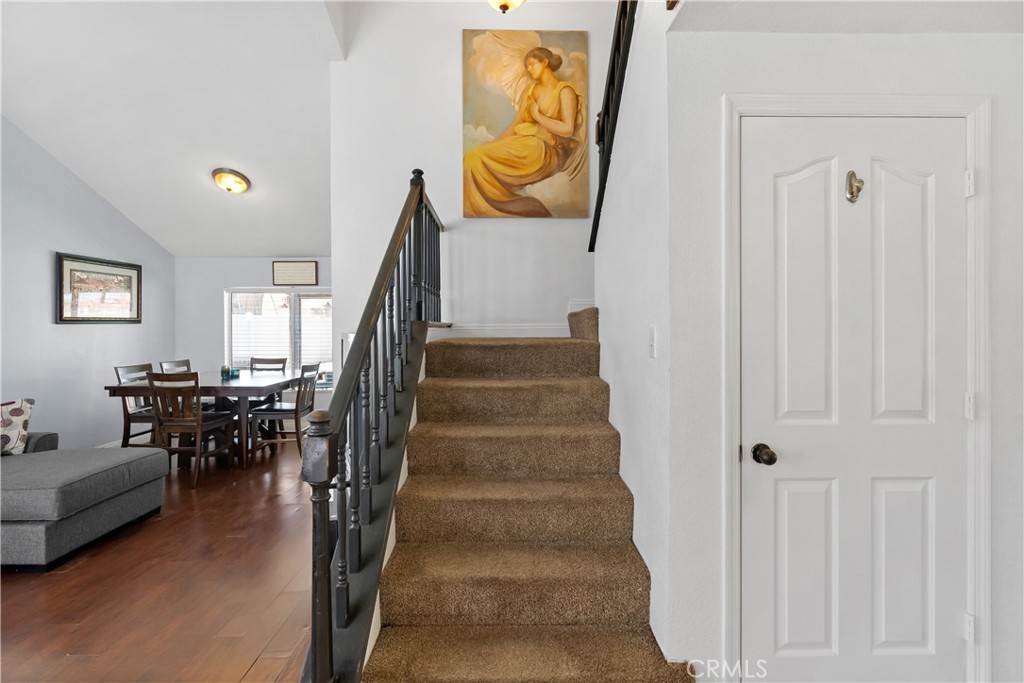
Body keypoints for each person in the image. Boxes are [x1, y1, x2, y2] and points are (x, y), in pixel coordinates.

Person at [464, 47, 583, 218]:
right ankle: (493, 206)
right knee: (474, 157)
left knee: (478, 158)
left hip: (545, 151)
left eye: (532, 64)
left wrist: (538, 116)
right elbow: (515, 126)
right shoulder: (530, 92)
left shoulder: (565, 91)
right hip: (525, 144)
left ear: (545, 62)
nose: (529, 69)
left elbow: (567, 129)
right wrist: (492, 145)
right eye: (527, 66)